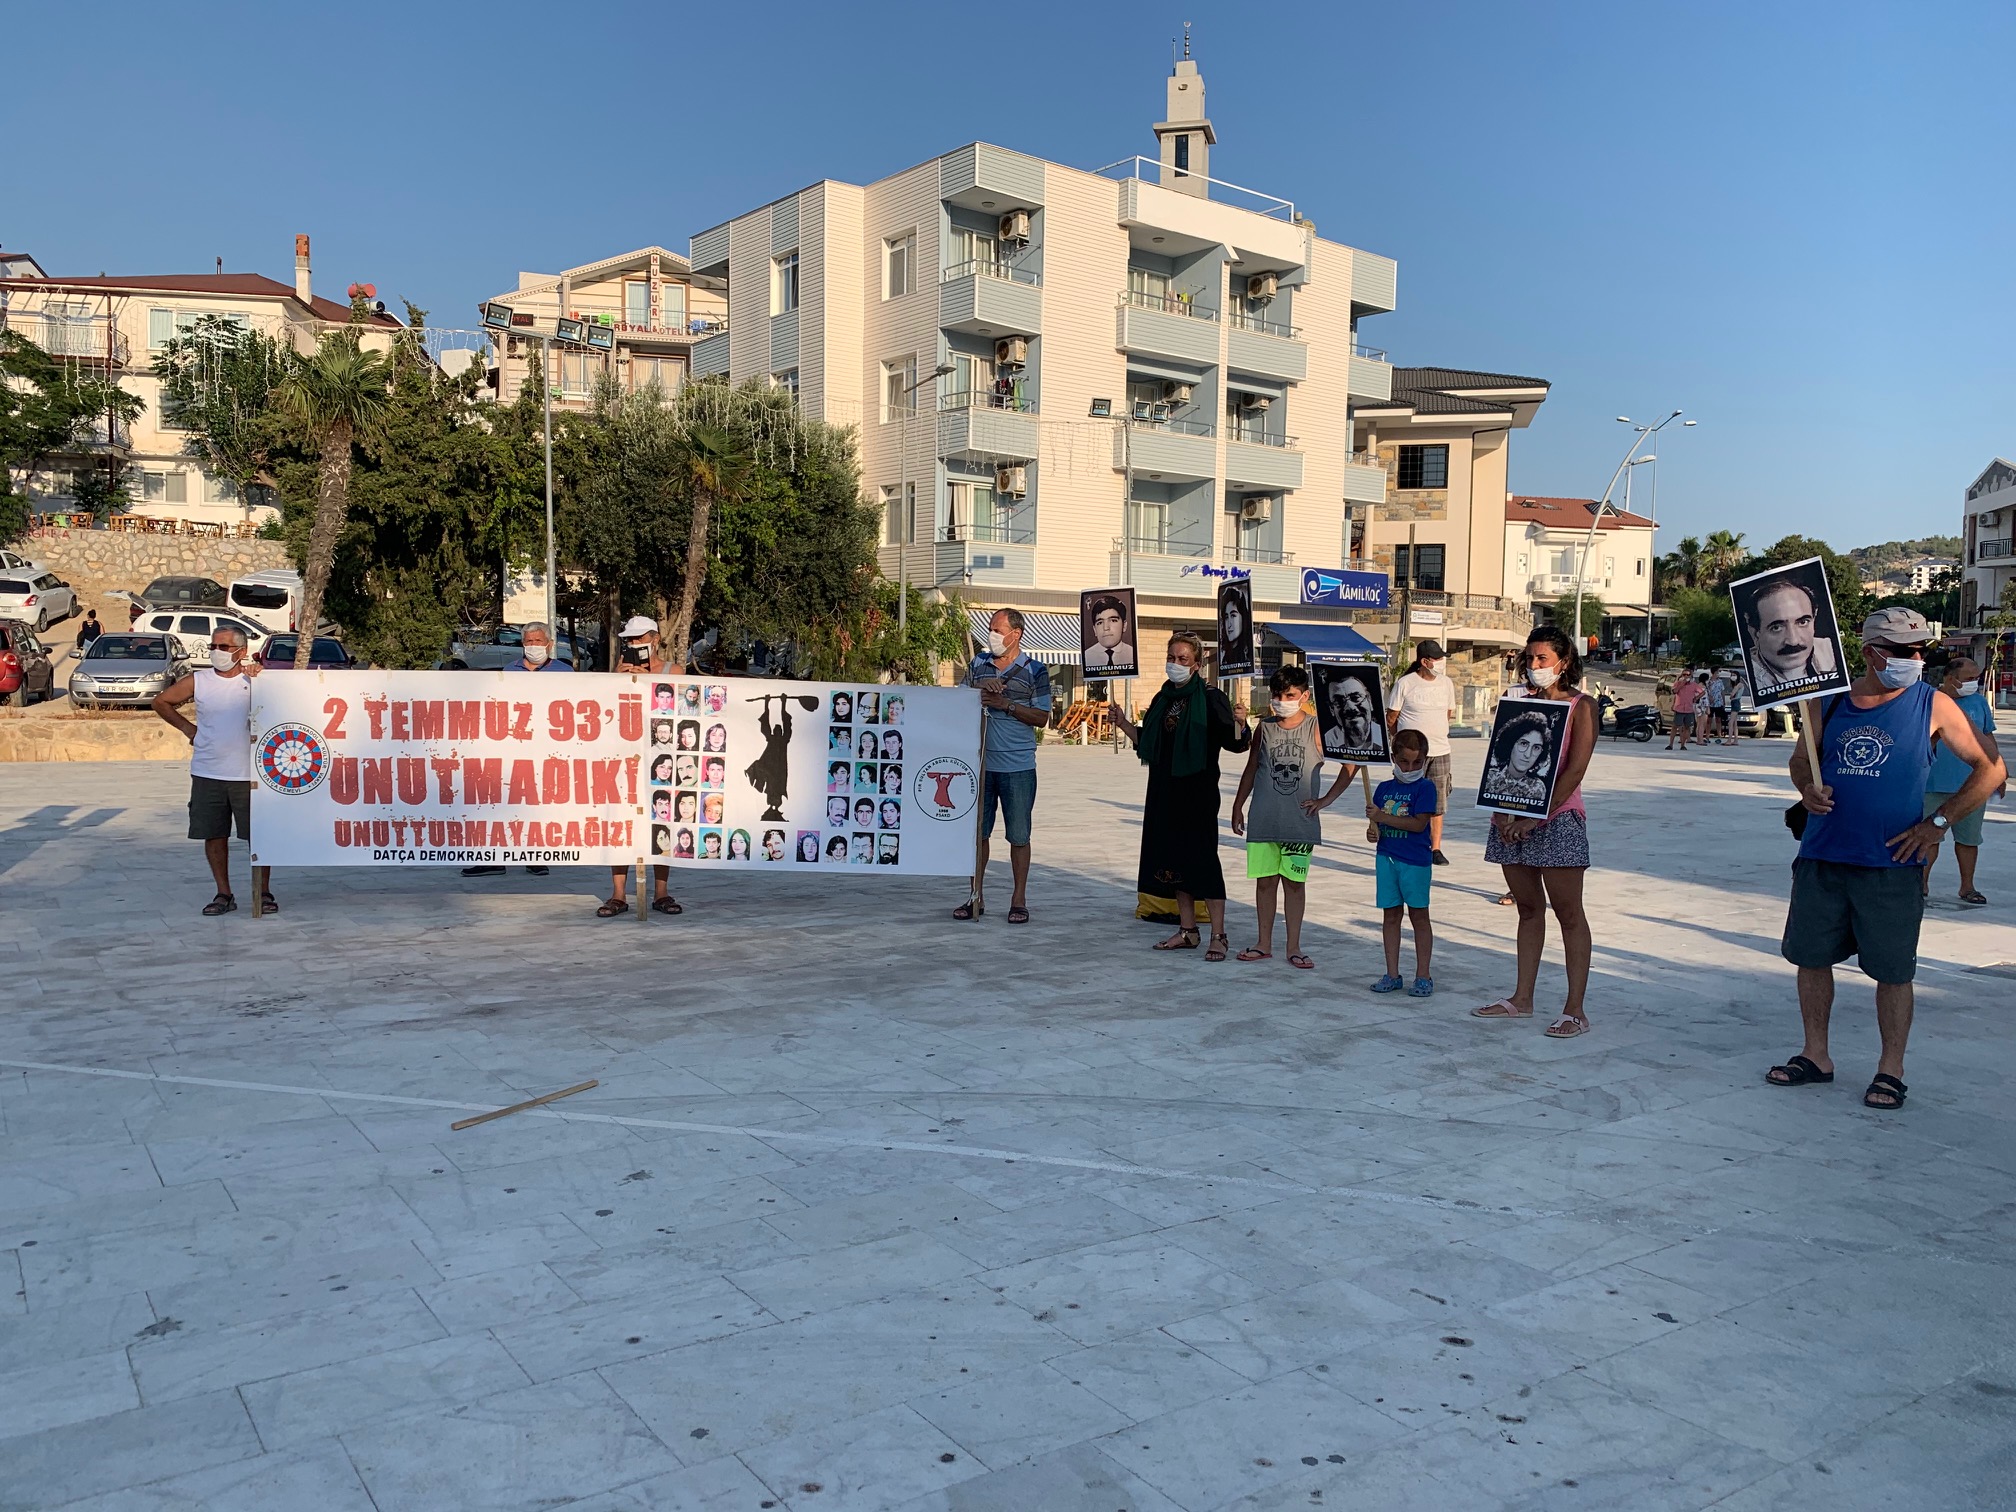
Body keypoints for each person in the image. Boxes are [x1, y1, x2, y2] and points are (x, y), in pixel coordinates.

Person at [1772, 608, 2003, 1108]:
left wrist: (1937, 824)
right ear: (1870, 653)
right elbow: (1800, 760)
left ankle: (1890, 1069)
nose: (1915, 659)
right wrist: (1806, 787)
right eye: (1902, 651)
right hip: (1823, 856)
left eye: (1921, 651)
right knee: (1811, 959)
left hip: (1892, 864)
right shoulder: (1827, 699)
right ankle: (1816, 1055)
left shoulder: (1933, 704)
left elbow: (1991, 769)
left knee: (1894, 971)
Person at [1473, 625, 1599, 1037]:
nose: (1534, 665)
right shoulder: (1518, 703)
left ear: (1564, 661)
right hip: (1510, 820)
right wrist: (1501, 814)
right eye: (1529, 658)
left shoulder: (1582, 706)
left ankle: (1575, 1010)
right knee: (1528, 909)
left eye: (1542, 658)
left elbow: (1575, 770)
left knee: (1569, 914)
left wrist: (1536, 818)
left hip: (1559, 820)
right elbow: (1499, 762)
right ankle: (1521, 998)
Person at [1109, 630, 1252, 961]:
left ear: (1197, 664)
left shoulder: (1211, 698)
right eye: (1171, 658)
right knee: (1175, 863)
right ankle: (1187, 930)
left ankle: (1219, 935)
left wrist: (1242, 723)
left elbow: (1236, 743)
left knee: (1203, 861)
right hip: (1164, 792)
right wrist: (1124, 724)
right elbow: (1150, 741)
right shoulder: (1163, 698)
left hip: (1197, 794)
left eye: (1183, 659)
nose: (1175, 663)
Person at [1230, 665, 1355, 969]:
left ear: (1304, 696)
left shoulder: (1318, 729)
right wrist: (1238, 805)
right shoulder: (1264, 728)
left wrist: (1326, 800)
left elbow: (1351, 764)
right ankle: (1263, 943)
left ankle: (1294, 946)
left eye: (1289, 695)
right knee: (1264, 883)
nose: (1282, 700)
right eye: (1277, 695)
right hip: (1264, 819)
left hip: (1299, 823)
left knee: (1295, 884)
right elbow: (1251, 767)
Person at [152, 624, 269, 916]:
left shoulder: (256, 680)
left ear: (241, 651)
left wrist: (261, 675)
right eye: (213, 646)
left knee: (259, 836)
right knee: (214, 834)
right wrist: (188, 728)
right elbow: (161, 701)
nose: (217, 652)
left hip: (249, 774)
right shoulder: (199, 680)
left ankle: (263, 891)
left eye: (224, 647)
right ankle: (223, 893)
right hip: (208, 771)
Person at [953, 608, 1052, 924]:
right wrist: (981, 691)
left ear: (1016, 634)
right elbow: (957, 704)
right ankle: (975, 896)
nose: (991, 635)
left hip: (1018, 766)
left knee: (1019, 835)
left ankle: (1018, 899)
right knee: (977, 834)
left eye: (997, 630)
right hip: (980, 764)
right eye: (990, 628)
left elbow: (1042, 717)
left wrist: (1006, 704)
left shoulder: (1036, 670)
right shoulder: (978, 664)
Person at [463, 622, 565, 879]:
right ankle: (494, 857)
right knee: (499, 800)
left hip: (547, 747)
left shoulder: (565, 672)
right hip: (511, 745)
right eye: (528, 641)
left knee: (537, 804)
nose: (533, 646)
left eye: (538, 641)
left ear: (550, 644)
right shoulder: (509, 670)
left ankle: (535, 856)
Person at [597, 617, 682, 917]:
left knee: (662, 823)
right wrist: (618, 679)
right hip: (625, 759)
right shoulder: (620, 671)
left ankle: (661, 893)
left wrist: (649, 681)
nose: (634, 644)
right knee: (620, 821)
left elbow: (679, 712)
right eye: (630, 640)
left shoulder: (673, 671)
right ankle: (618, 894)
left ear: (655, 639)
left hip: (661, 759)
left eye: (639, 639)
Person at [1924, 656, 2002, 905]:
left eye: (1976, 678)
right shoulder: (1930, 701)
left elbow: (1987, 736)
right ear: (1950, 678)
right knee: (1928, 837)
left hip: (1972, 785)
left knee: (1969, 840)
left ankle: (1967, 887)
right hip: (1931, 784)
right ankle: (1920, 885)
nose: (1974, 683)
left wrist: (1998, 772)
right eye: (1969, 678)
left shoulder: (1979, 702)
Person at [1368, 729, 1438, 996]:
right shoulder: (1383, 789)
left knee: (1419, 916)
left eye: (1417, 762)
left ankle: (1423, 975)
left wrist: (1382, 818)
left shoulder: (1425, 788)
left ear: (1425, 760)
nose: (1410, 768)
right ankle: (1392, 973)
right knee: (1390, 915)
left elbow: (1419, 824)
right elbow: (1375, 828)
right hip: (1386, 858)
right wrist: (1373, 830)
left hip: (1415, 861)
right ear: (1394, 759)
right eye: (1404, 762)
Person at [1387, 640, 1455, 863]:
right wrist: (1400, 743)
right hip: (1412, 754)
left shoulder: (1446, 683)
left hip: (1440, 750)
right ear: (1425, 662)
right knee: (1407, 797)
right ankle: (1405, 842)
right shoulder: (1405, 683)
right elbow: (1392, 717)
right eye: (1437, 659)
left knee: (1437, 802)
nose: (1441, 662)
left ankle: (1435, 848)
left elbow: (1447, 713)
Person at [1742, 577, 1836, 695]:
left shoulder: (1831, 652)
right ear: (1755, 634)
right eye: (1776, 628)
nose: (1793, 641)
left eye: (1803, 622)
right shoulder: (1749, 678)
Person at [1322, 671, 1379, 758]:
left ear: (1369, 701)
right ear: (1332, 709)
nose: (1350, 707)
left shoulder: (1384, 738)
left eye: (1356, 697)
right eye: (1339, 701)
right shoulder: (1327, 741)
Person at [1085, 594, 1135, 672]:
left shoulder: (1132, 654)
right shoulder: (1086, 656)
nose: (1106, 628)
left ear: (1124, 626)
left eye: (1113, 620)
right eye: (1100, 623)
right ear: (1094, 630)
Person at [1668, 666, 1700, 750]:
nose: (1686, 676)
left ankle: (1683, 745)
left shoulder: (1694, 685)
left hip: (1689, 709)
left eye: (1688, 675)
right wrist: (1682, 684)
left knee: (1687, 727)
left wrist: (1696, 698)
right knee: (1675, 726)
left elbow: (1702, 692)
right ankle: (1670, 744)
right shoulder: (1678, 683)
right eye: (1684, 674)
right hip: (1679, 708)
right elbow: (1674, 691)